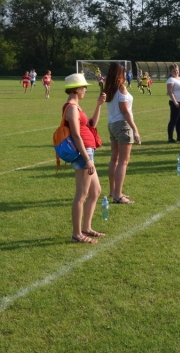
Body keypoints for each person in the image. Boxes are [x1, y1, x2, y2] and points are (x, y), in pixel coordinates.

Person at [62, 73, 106, 243]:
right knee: (81, 195)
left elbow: (92, 124)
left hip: (88, 152)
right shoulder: (72, 108)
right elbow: (76, 134)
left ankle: (86, 228)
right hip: (83, 154)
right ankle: (77, 234)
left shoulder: (77, 107)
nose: (85, 90)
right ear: (77, 89)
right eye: (84, 87)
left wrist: (99, 105)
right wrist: (87, 159)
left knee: (96, 191)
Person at [104, 62, 140, 205]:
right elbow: (125, 111)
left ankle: (113, 191)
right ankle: (118, 195)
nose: (125, 74)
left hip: (112, 124)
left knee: (115, 159)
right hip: (122, 125)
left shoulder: (109, 87)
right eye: (123, 72)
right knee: (123, 161)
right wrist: (135, 129)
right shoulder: (121, 88)